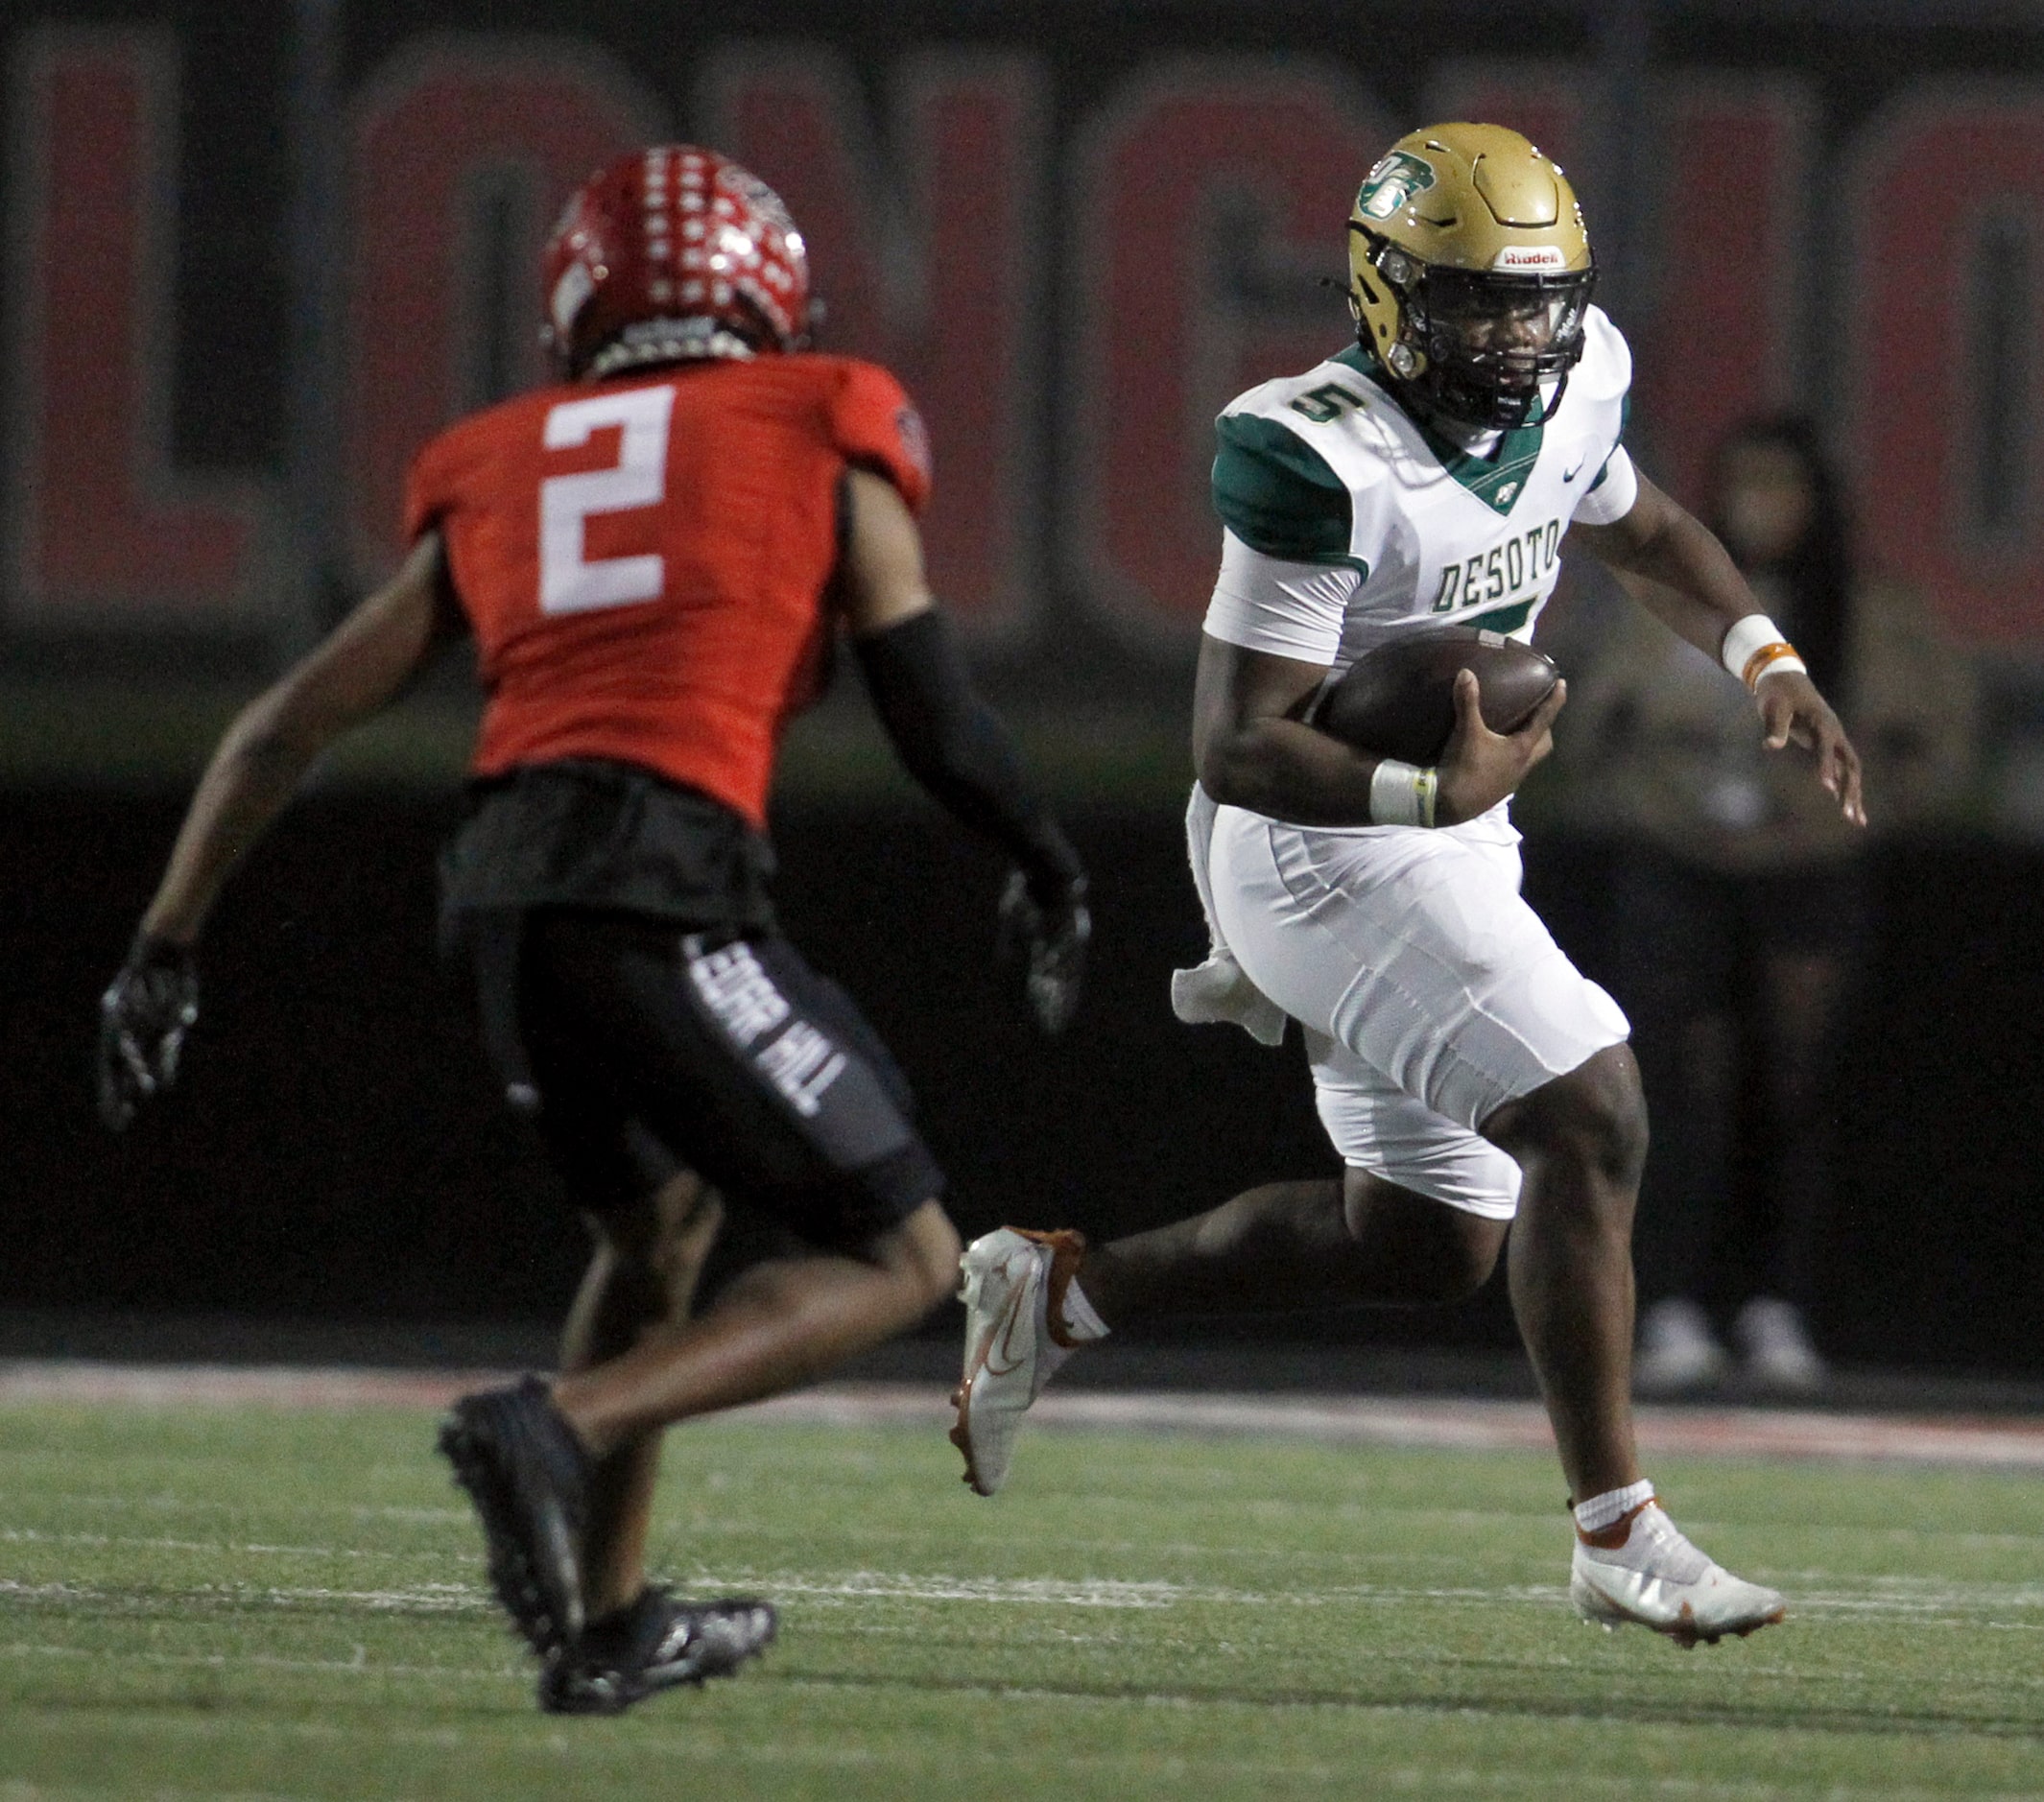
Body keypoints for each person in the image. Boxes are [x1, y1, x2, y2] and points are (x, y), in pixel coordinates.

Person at [95, 145, 1090, 1713]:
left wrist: (163, 942)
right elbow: (922, 688)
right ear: (772, 297)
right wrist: (1040, 853)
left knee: (660, 1232)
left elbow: (287, 722)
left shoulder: (501, 452)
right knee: (904, 1255)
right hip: (658, 873)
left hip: (500, 897)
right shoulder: (822, 405)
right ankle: (553, 1425)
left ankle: (604, 1620)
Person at [949, 124, 1863, 1646]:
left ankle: (1057, 1296)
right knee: (1592, 1104)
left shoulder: (1577, 387)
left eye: (1534, 301)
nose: (1512, 337)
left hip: (1443, 826)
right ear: (1384, 296)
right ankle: (1616, 1531)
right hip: (1310, 843)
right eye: (1474, 303)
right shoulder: (1315, 449)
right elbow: (1239, 742)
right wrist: (1423, 786)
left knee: (1429, 1238)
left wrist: (1765, 657)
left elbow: (1644, 531)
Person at [1562, 416, 1976, 1394]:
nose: (1761, 509)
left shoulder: (1872, 614)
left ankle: (1779, 1304)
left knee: (1794, 1092)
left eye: (1782, 488)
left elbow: (1938, 749)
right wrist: (1655, 809)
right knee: (1676, 1089)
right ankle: (1669, 1304)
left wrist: (1840, 823)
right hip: (1678, 867)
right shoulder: (1661, 602)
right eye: (1743, 487)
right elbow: (1588, 735)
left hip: (1809, 876)